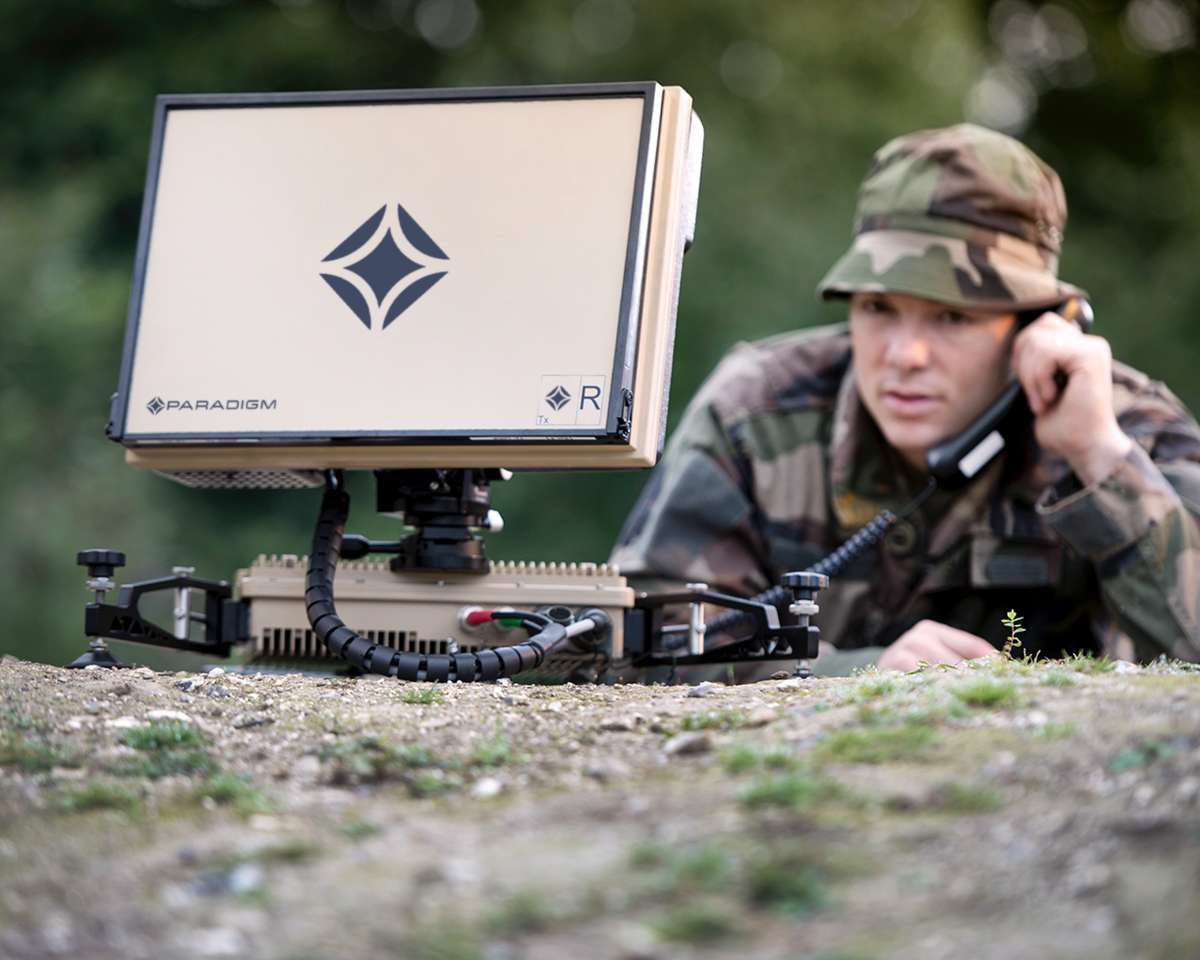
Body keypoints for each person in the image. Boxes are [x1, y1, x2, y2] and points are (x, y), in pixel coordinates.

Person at [610, 124, 1200, 675]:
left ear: (1044, 325)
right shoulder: (757, 410)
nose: (905, 355)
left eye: (952, 316)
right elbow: (637, 630)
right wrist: (852, 675)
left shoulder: (1130, 431)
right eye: (877, 307)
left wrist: (1100, 458)